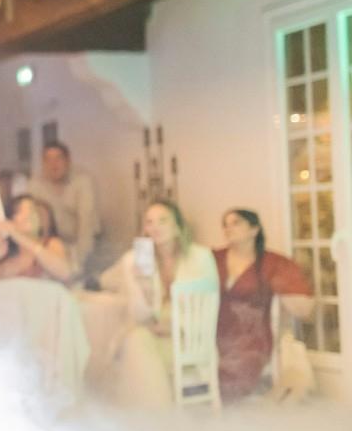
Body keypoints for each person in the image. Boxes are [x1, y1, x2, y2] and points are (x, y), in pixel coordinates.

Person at [99, 200, 217, 408]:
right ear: (144, 229)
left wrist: (174, 326)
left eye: (163, 220)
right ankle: (157, 420)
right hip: (150, 334)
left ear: (177, 225)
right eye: (149, 222)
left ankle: (154, 422)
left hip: (188, 340)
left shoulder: (200, 257)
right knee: (136, 339)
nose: (156, 227)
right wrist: (144, 286)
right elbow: (139, 315)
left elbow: (207, 309)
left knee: (135, 344)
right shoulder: (134, 260)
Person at [215, 209, 314, 401]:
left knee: (239, 364)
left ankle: (232, 414)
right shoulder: (213, 258)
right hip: (213, 330)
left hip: (250, 335)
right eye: (225, 224)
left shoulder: (272, 263)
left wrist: (280, 288)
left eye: (236, 223)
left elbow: (304, 308)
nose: (228, 228)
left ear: (254, 230)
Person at [27, 141, 100, 277]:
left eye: (58, 158)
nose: (53, 164)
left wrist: (78, 263)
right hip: (48, 249)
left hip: (79, 248)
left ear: (68, 161)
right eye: (48, 159)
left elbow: (87, 226)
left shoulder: (82, 182)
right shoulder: (35, 185)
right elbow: (31, 223)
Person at [0, 195, 74, 285]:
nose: (27, 215)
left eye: (32, 211)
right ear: (11, 219)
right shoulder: (8, 257)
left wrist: (19, 236)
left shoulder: (50, 244)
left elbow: (66, 273)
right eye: (20, 211)